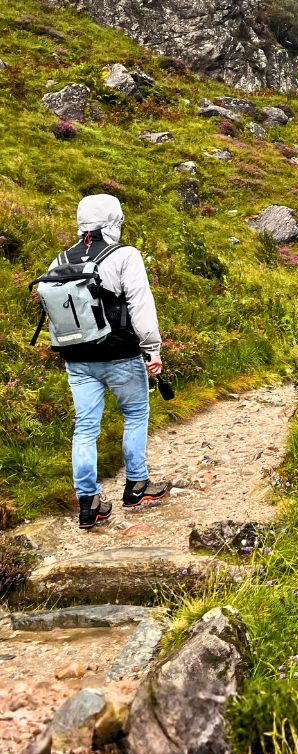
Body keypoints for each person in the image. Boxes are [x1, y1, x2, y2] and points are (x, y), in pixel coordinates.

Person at [45, 194, 169, 530]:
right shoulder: (125, 254)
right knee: (135, 413)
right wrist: (152, 348)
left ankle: (89, 503)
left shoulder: (60, 258)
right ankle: (137, 487)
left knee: (85, 427)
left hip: (77, 357)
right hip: (120, 353)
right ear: (114, 218)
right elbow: (140, 303)